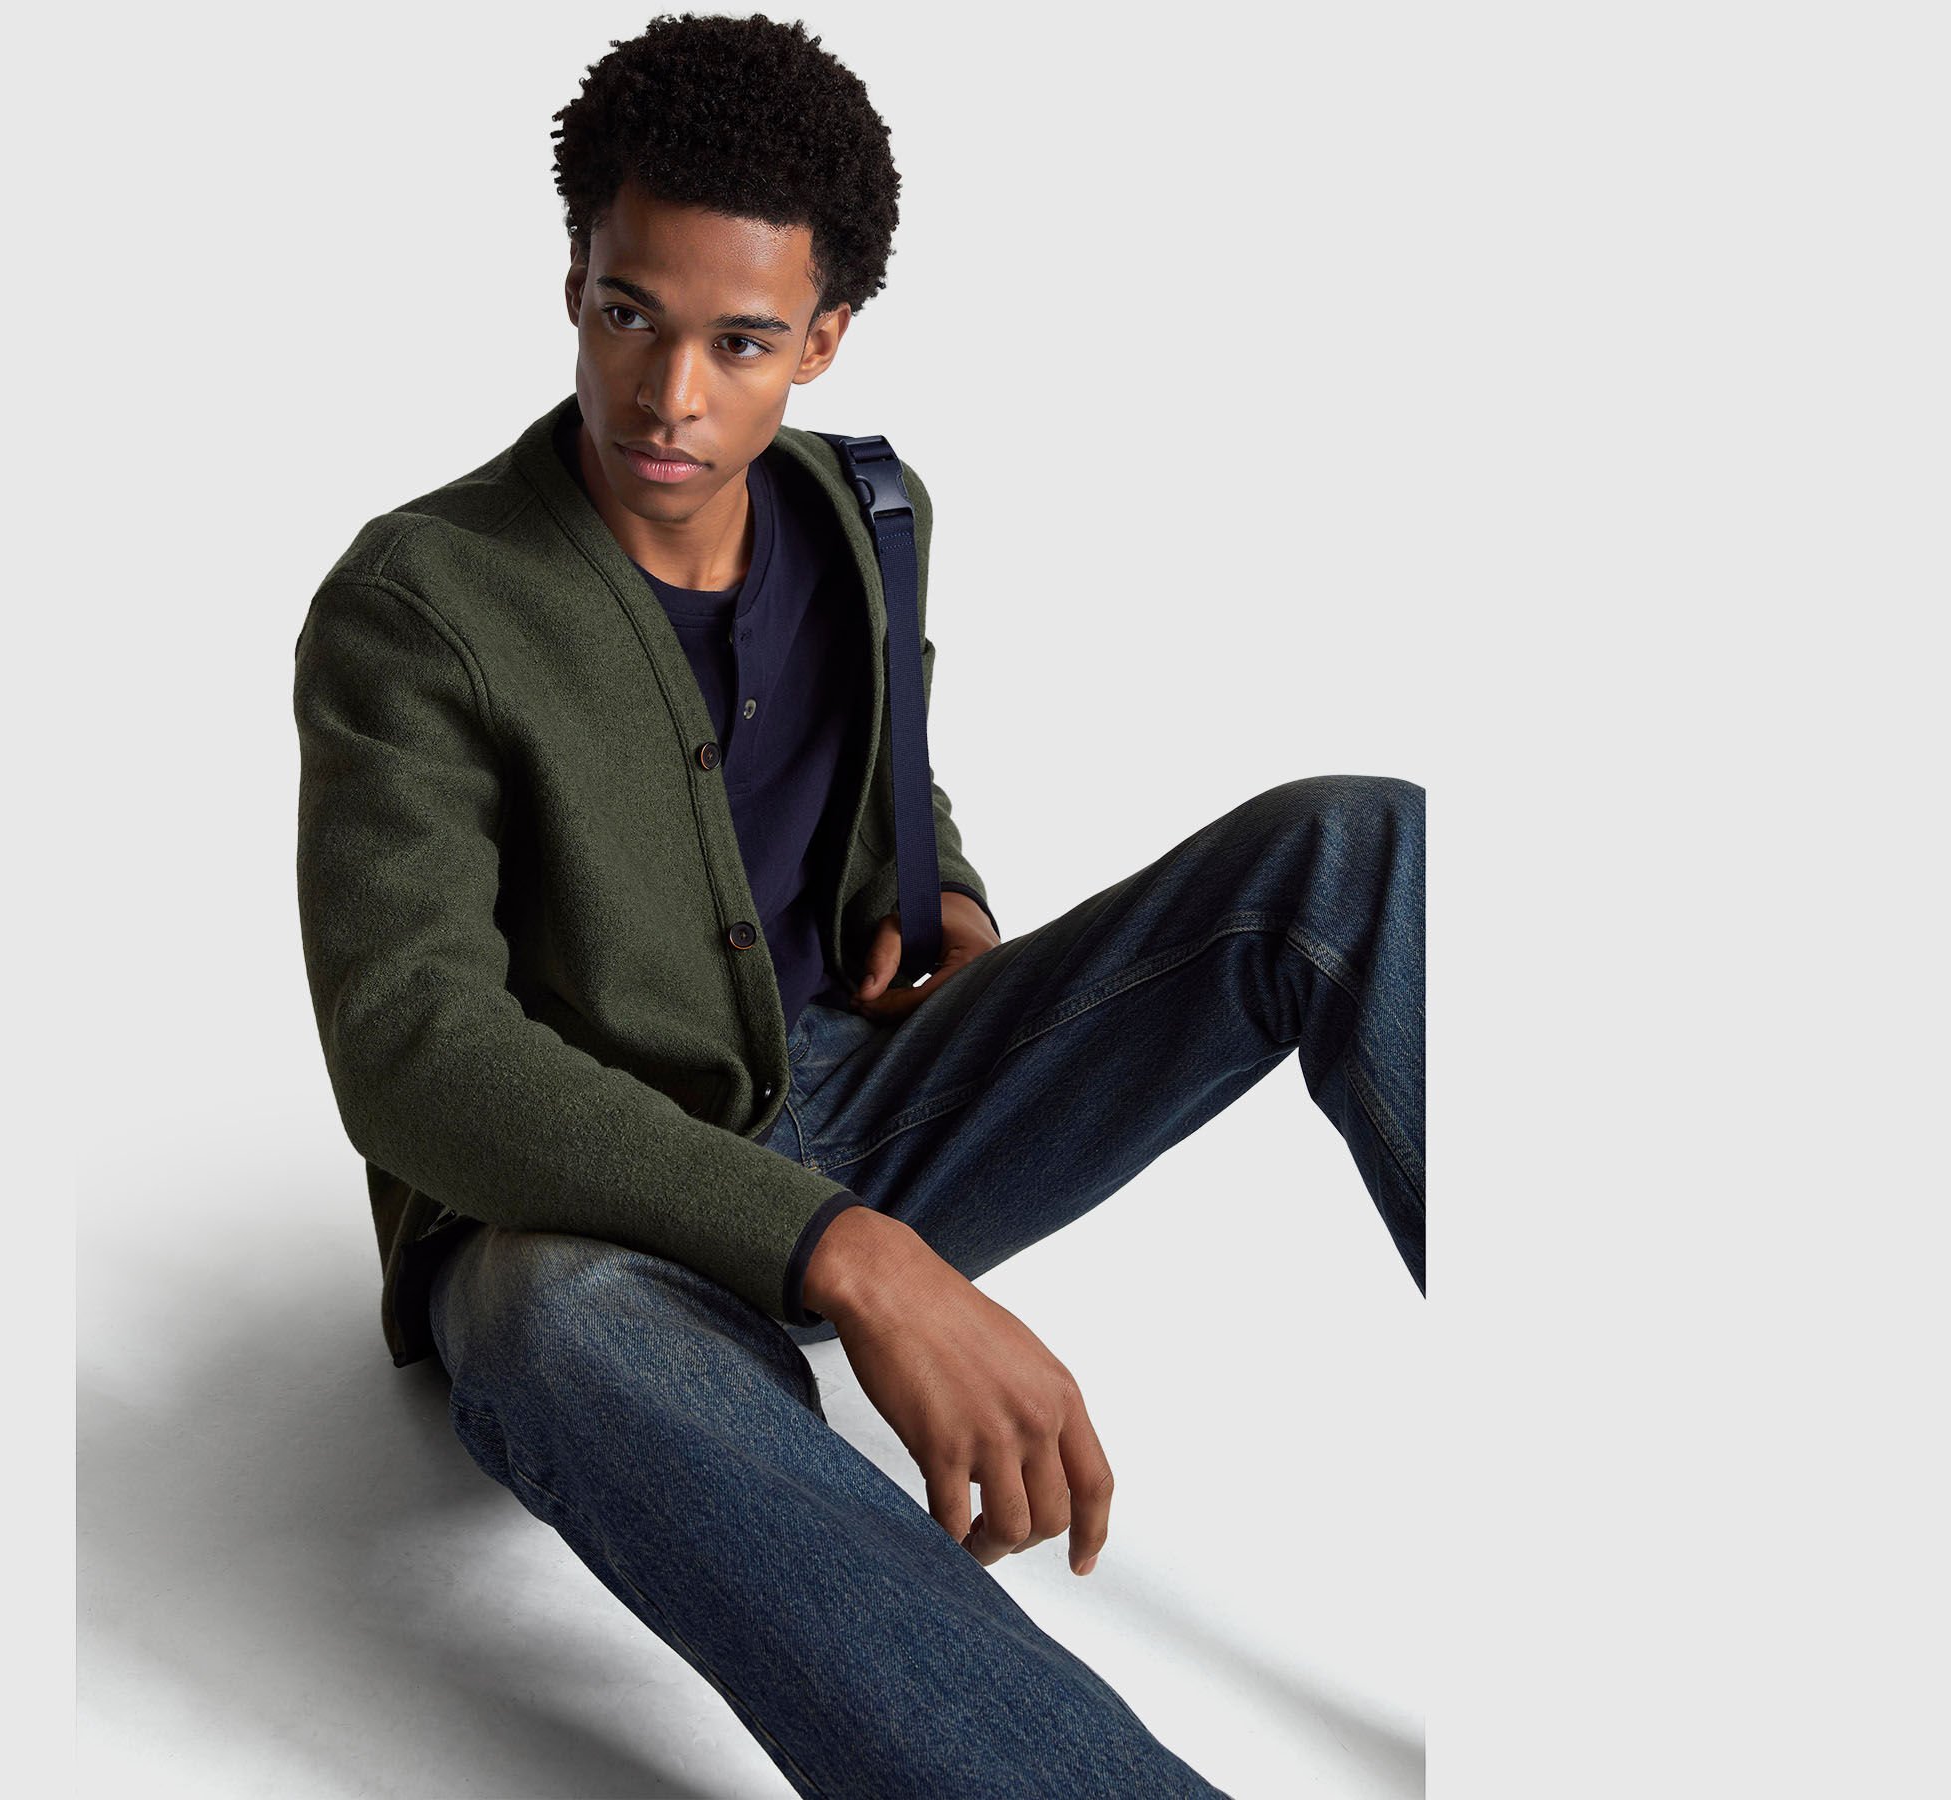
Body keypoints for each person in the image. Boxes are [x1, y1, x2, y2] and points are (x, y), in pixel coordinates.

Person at [292, 14, 1422, 1796]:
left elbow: (891, 761)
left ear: (822, 337)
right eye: (628, 314)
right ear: (574, 282)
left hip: (864, 1093)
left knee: (1356, 846)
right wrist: (852, 1253)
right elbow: (411, 1049)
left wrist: (944, 899)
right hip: (594, 1215)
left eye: (740, 342)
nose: (670, 395)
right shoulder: (422, 602)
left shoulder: (865, 507)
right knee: (542, 1322)